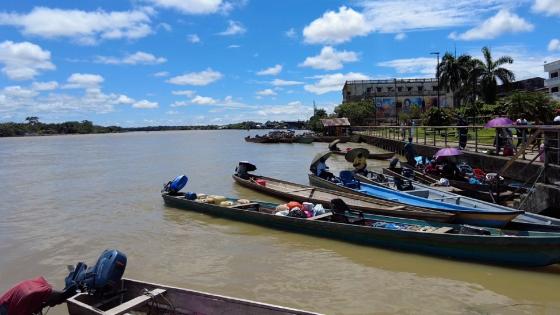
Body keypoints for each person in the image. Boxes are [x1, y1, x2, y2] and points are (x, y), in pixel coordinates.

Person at [0, 277, 68, 315]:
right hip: (6, 309)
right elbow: (61, 295)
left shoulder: (41, 287)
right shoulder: (42, 292)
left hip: (6, 300)